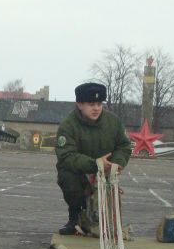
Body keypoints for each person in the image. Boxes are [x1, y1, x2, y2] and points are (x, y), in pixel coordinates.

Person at [55, 82, 131, 235]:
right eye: (91, 104)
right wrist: (95, 164)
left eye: (99, 103)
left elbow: (124, 146)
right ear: (79, 104)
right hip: (80, 173)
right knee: (66, 174)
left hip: (106, 172)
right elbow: (66, 156)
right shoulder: (68, 126)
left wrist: (116, 163)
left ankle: (104, 220)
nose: (96, 108)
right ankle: (75, 218)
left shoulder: (113, 122)